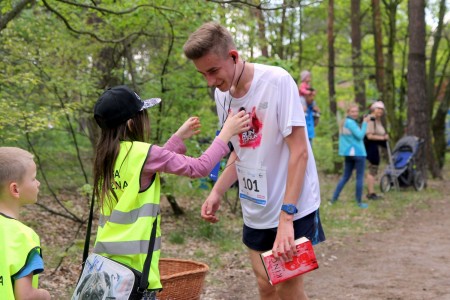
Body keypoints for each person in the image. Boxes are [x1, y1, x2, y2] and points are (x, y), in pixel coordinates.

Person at [183, 22, 325, 300]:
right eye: (203, 74)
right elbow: (241, 151)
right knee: (265, 285)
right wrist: (217, 191)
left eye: (213, 71)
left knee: (287, 286)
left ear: (233, 57)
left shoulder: (277, 82)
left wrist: (287, 218)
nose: (210, 81)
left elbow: (300, 152)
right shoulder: (222, 95)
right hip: (256, 206)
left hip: (291, 206)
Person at [91, 85, 249, 299]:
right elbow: (199, 167)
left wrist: (178, 137)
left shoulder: (105, 156)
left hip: (106, 266)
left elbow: (150, 164)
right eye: (142, 115)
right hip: (134, 273)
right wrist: (226, 134)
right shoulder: (142, 153)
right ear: (130, 123)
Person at [0, 147, 51, 300]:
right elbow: (26, 296)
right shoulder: (23, 237)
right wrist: (45, 295)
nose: (38, 183)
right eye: (33, 178)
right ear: (15, 189)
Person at [330, 103, 372, 208]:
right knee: (359, 177)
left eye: (356, 111)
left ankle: (333, 198)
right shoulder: (351, 123)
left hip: (348, 153)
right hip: (358, 153)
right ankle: (359, 202)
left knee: (345, 176)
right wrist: (365, 123)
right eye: (352, 111)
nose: (355, 113)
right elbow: (360, 136)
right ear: (348, 112)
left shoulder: (344, 122)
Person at [364, 101, 389, 200]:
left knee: (374, 169)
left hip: (376, 147)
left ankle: (372, 191)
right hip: (371, 147)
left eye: (382, 109)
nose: (380, 111)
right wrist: (383, 138)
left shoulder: (378, 120)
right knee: (372, 169)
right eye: (378, 109)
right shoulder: (371, 119)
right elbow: (369, 135)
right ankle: (371, 193)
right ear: (373, 109)